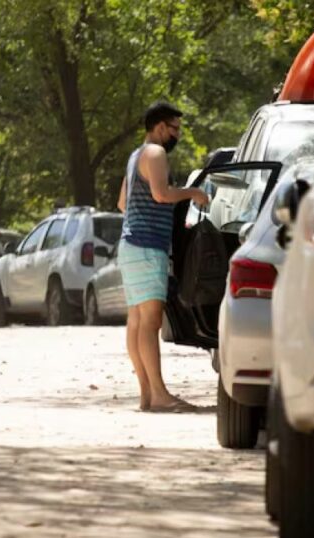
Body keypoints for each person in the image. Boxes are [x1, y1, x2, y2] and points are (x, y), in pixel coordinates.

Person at [118, 101, 209, 412]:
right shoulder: (155, 154)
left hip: (130, 245)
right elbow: (161, 194)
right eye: (175, 129)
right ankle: (159, 394)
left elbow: (122, 203)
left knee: (136, 322)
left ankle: (147, 394)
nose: (176, 136)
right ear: (160, 128)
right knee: (151, 322)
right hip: (146, 247)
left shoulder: (135, 156)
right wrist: (192, 193)